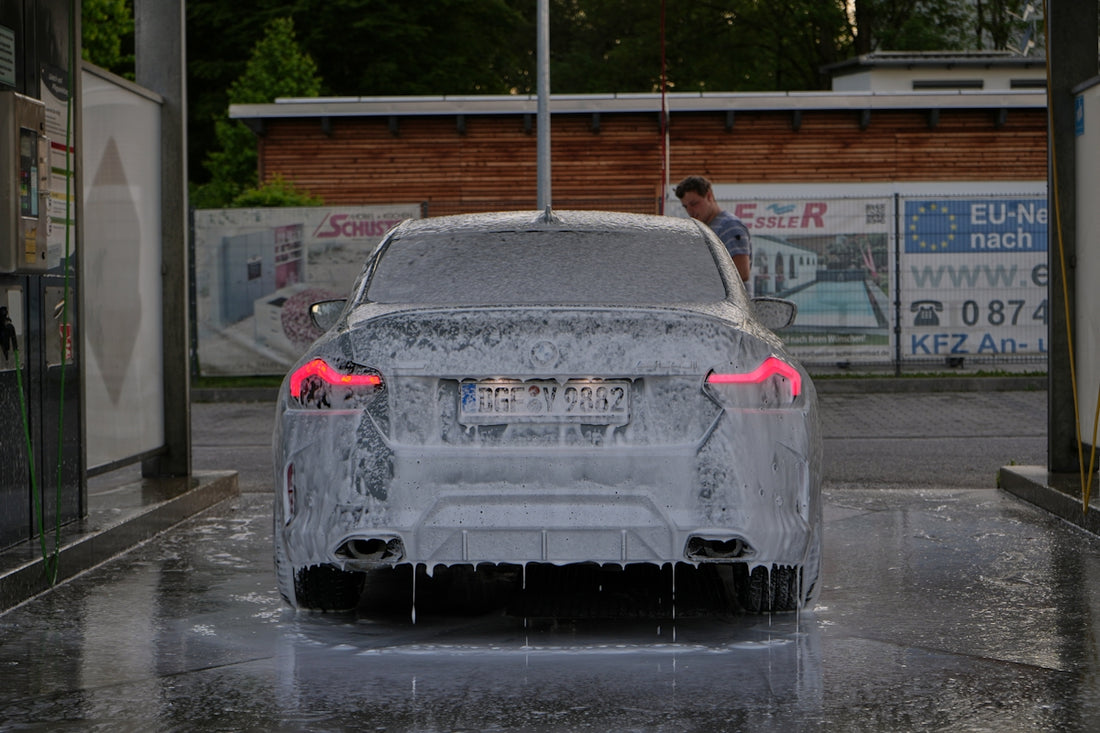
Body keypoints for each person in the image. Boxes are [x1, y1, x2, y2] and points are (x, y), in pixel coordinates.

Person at [674, 175, 753, 295]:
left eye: (694, 203)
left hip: (731, 307)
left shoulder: (729, 226)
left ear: (709, 196)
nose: (690, 211)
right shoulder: (708, 228)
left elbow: (742, 273)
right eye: (686, 206)